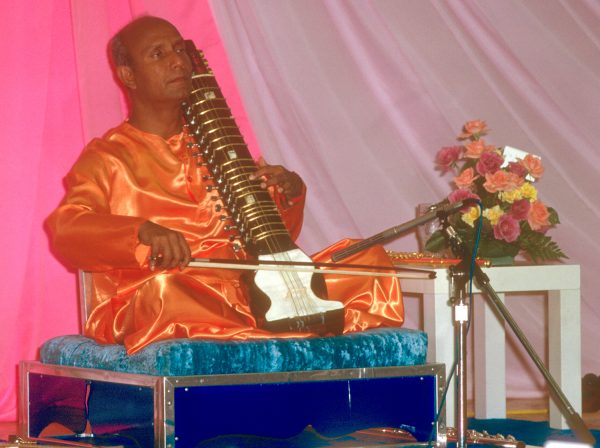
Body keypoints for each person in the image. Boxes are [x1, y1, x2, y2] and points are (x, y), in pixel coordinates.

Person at [47, 16, 404, 354]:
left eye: (179, 49)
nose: (177, 61)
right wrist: (142, 231)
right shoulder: (108, 157)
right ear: (129, 75)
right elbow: (67, 229)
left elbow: (275, 241)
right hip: (182, 295)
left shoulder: (218, 144)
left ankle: (272, 328)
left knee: (368, 262)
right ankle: (288, 332)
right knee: (165, 291)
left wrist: (289, 194)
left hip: (252, 291)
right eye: (158, 54)